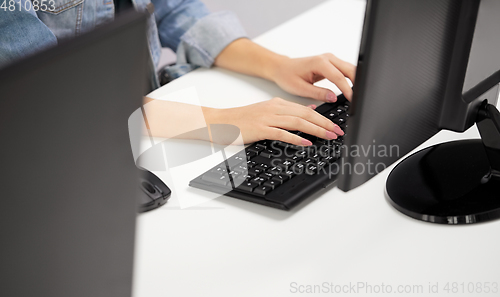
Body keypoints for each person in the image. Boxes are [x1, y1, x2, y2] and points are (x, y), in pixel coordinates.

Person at [0, 0, 355, 146]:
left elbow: (175, 10)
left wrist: (277, 65)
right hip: (67, 147)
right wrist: (222, 121)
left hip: (150, 120)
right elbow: (50, 100)